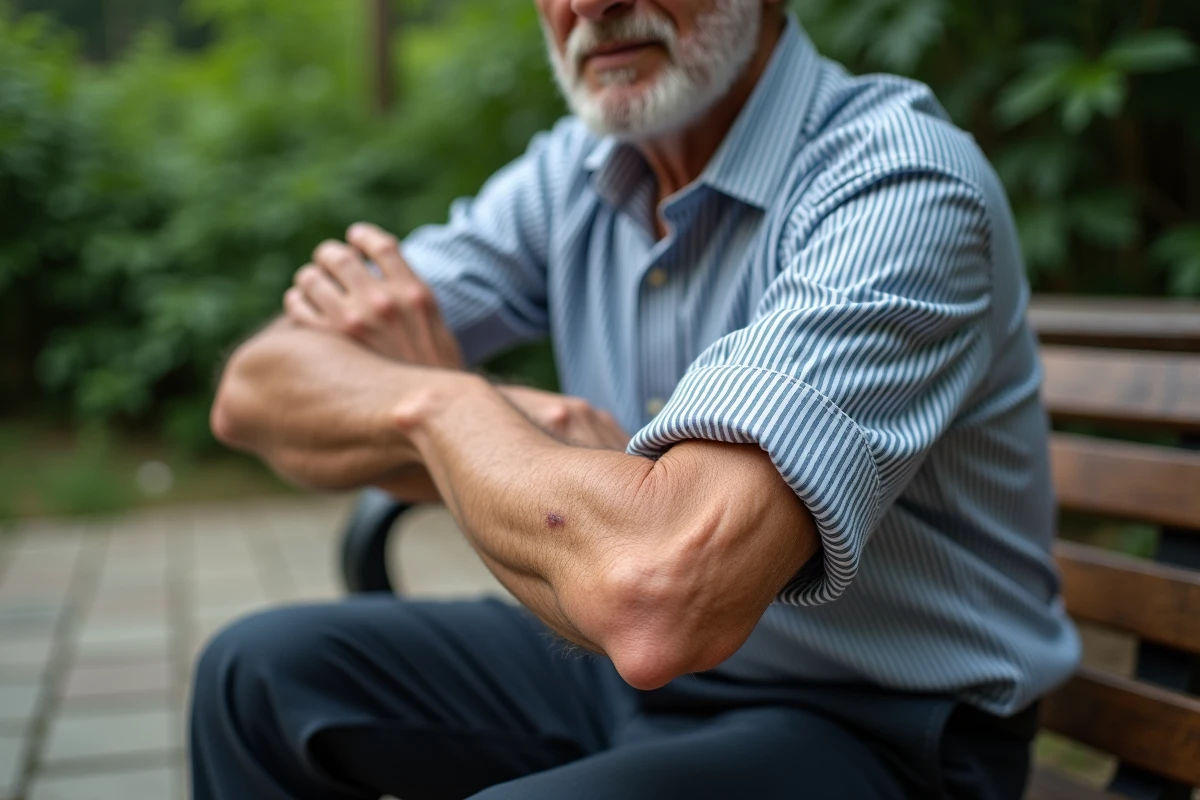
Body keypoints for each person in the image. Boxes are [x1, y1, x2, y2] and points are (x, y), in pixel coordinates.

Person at [192, 0, 1081, 797]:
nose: (590, 5)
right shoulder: (571, 174)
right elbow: (258, 386)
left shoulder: (899, 186)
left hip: (883, 727)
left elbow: (655, 601)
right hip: (628, 676)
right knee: (254, 674)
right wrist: (489, 415)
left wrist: (447, 407)